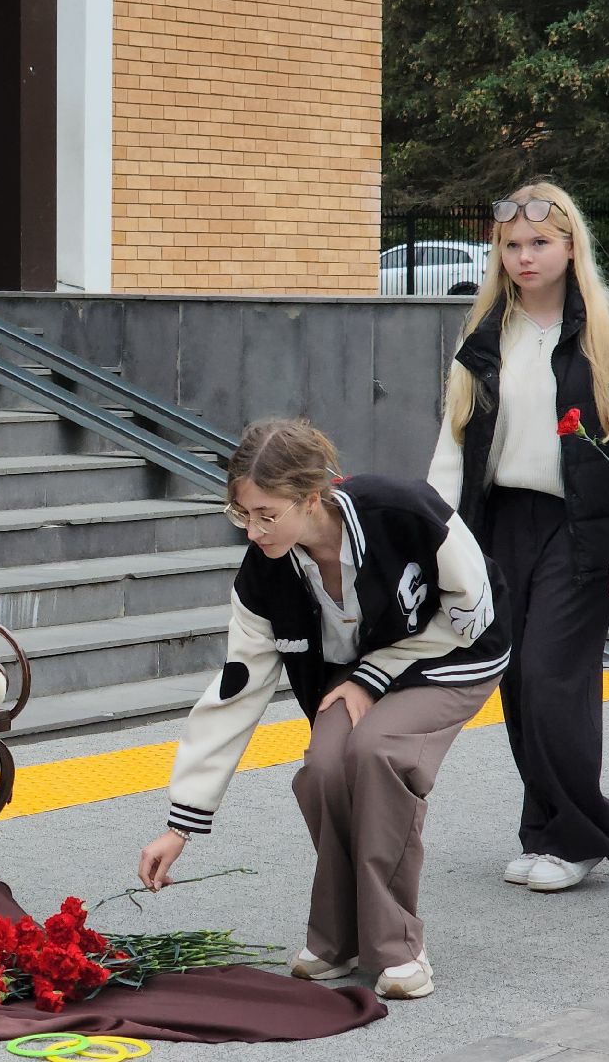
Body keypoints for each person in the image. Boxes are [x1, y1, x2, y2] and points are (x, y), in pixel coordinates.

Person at [139, 418, 509, 1000]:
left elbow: (473, 614)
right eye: (243, 515)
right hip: (357, 674)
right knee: (324, 768)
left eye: (268, 514)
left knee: (376, 752)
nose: (254, 531)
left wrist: (375, 674)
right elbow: (236, 692)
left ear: (312, 498)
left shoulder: (405, 511)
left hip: (451, 654)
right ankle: (337, 941)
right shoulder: (262, 575)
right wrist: (180, 822)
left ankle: (397, 947)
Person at [425, 182, 609, 893]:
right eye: (513, 246)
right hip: (500, 523)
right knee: (519, 683)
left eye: (540, 243)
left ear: (569, 246)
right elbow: (452, 442)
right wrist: (436, 541)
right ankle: (544, 830)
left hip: (578, 525)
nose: (525, 258)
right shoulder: (485, 334)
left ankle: (582, 834)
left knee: (554, 677)